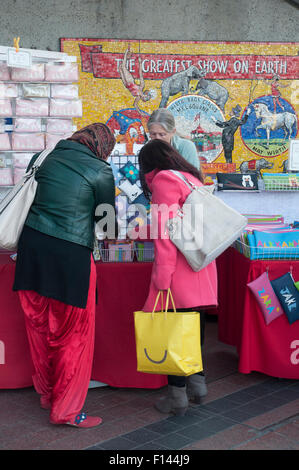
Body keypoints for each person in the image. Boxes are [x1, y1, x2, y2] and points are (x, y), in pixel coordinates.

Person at [13, 123, 117, 428]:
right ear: (103, 148)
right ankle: (67, 410)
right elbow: (107, 227)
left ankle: (48, 395)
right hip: (71, 259)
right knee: (73, 337)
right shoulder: (101, 170)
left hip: (31, 251)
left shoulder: (43, 157)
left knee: (40, 329)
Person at [138, 139, 218, 416]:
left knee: (174, 332)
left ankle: (177, 397)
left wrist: (162, 277)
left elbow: (165, 233)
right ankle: (198, 386)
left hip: (179, 269)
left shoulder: (162, 180)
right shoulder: (189, 176)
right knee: (194, 328)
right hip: (201, 264)